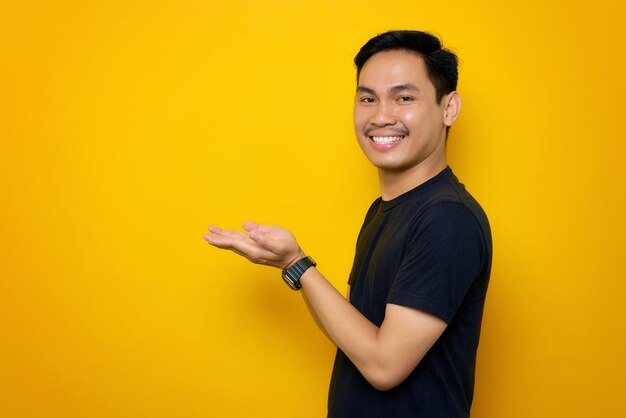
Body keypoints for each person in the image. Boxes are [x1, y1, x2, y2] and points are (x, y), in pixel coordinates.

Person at [204, 30, 492, 418]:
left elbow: (384, 366)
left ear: (449, 107)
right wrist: (292, 263)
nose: (381, 116)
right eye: (368, 98)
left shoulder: (447, 219)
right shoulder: (385, 210)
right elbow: (356, 340)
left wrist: (298, 264)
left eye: (404, 98)